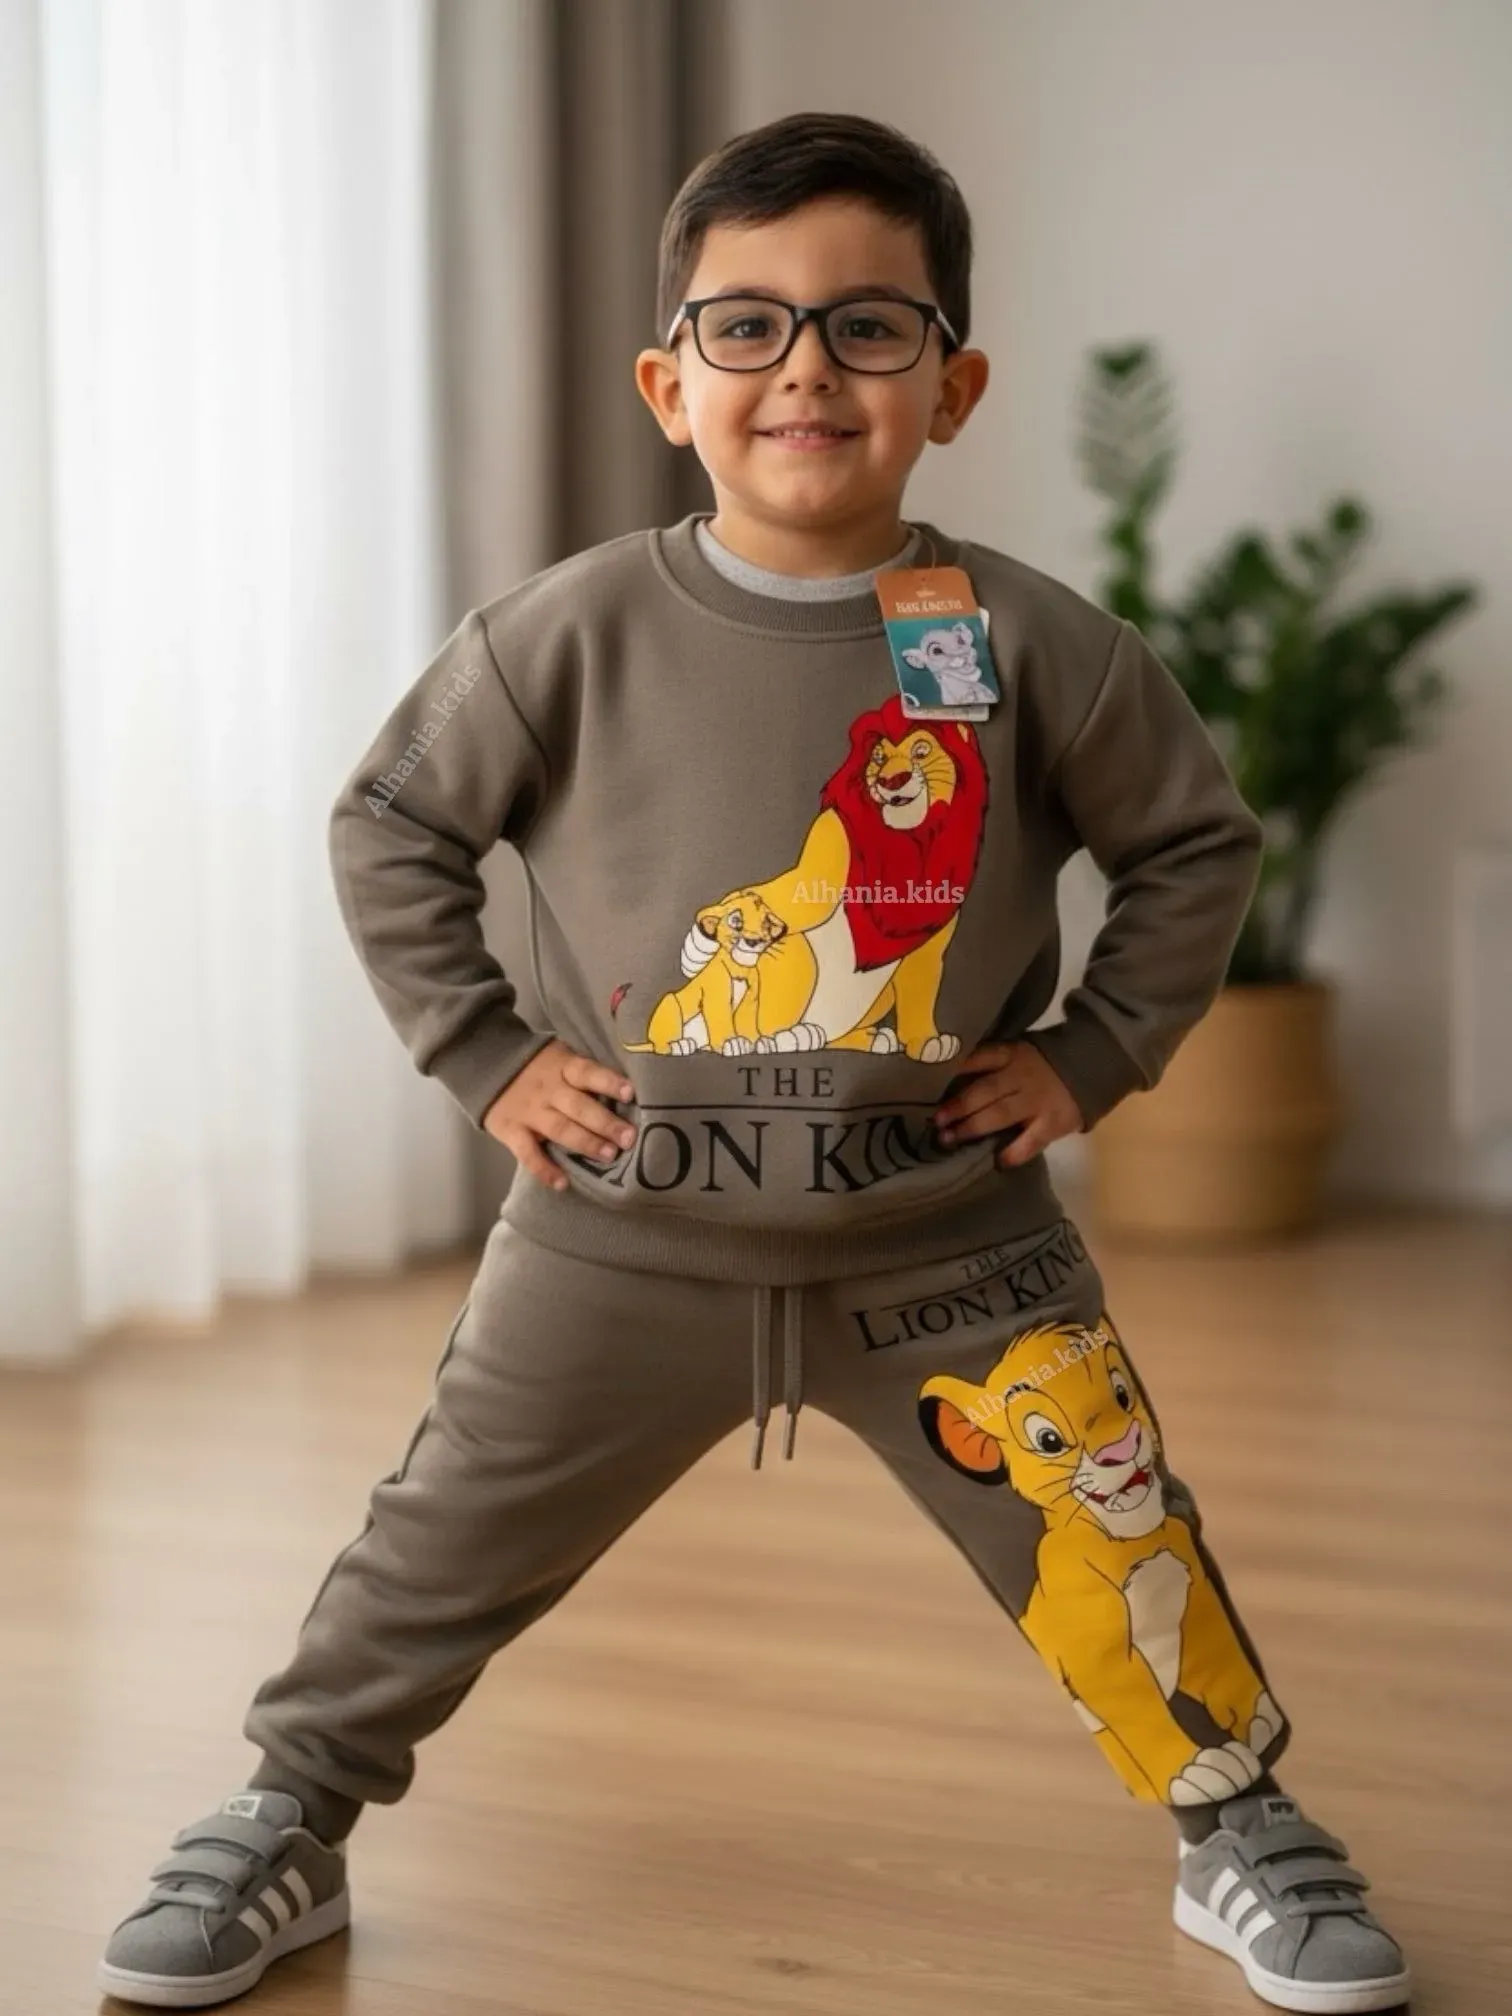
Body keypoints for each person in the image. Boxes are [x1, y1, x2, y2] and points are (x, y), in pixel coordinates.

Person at [99, 111, 1410, 2015]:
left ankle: (1239, 1822)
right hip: (616, 1238)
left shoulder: (1033, 644)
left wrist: (1097, 1051)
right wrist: (486, 1053)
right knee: (435, 1547)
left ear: (951, 387)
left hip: (950, 1245)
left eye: (869, 326)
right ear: (670, 385)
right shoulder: (563, 634)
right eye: (748, 326)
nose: (806, 368)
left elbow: (1196, 844)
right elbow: (390, 823)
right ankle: (287, 1810)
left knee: (1112, 1521)